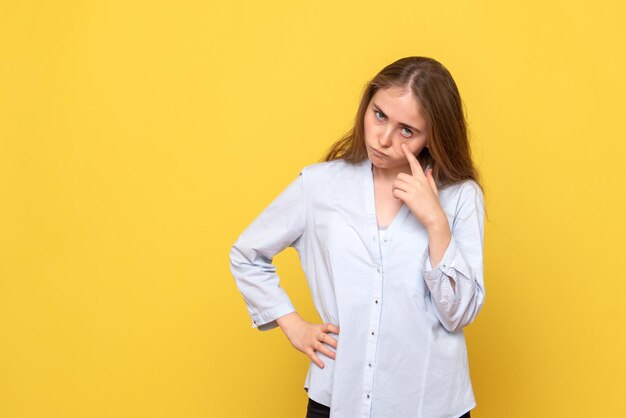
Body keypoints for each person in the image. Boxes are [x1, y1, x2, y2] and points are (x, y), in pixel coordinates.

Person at [229, 56, 486, 418]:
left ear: (433, 136)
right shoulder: (320, 185)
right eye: (379, 114)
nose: (383, 138)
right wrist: (293, 325)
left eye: (407, 131)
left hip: (429, 403)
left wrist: (435, 223)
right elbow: (246, 254)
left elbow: (457, 315)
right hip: (339, 395)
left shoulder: (460, 196)